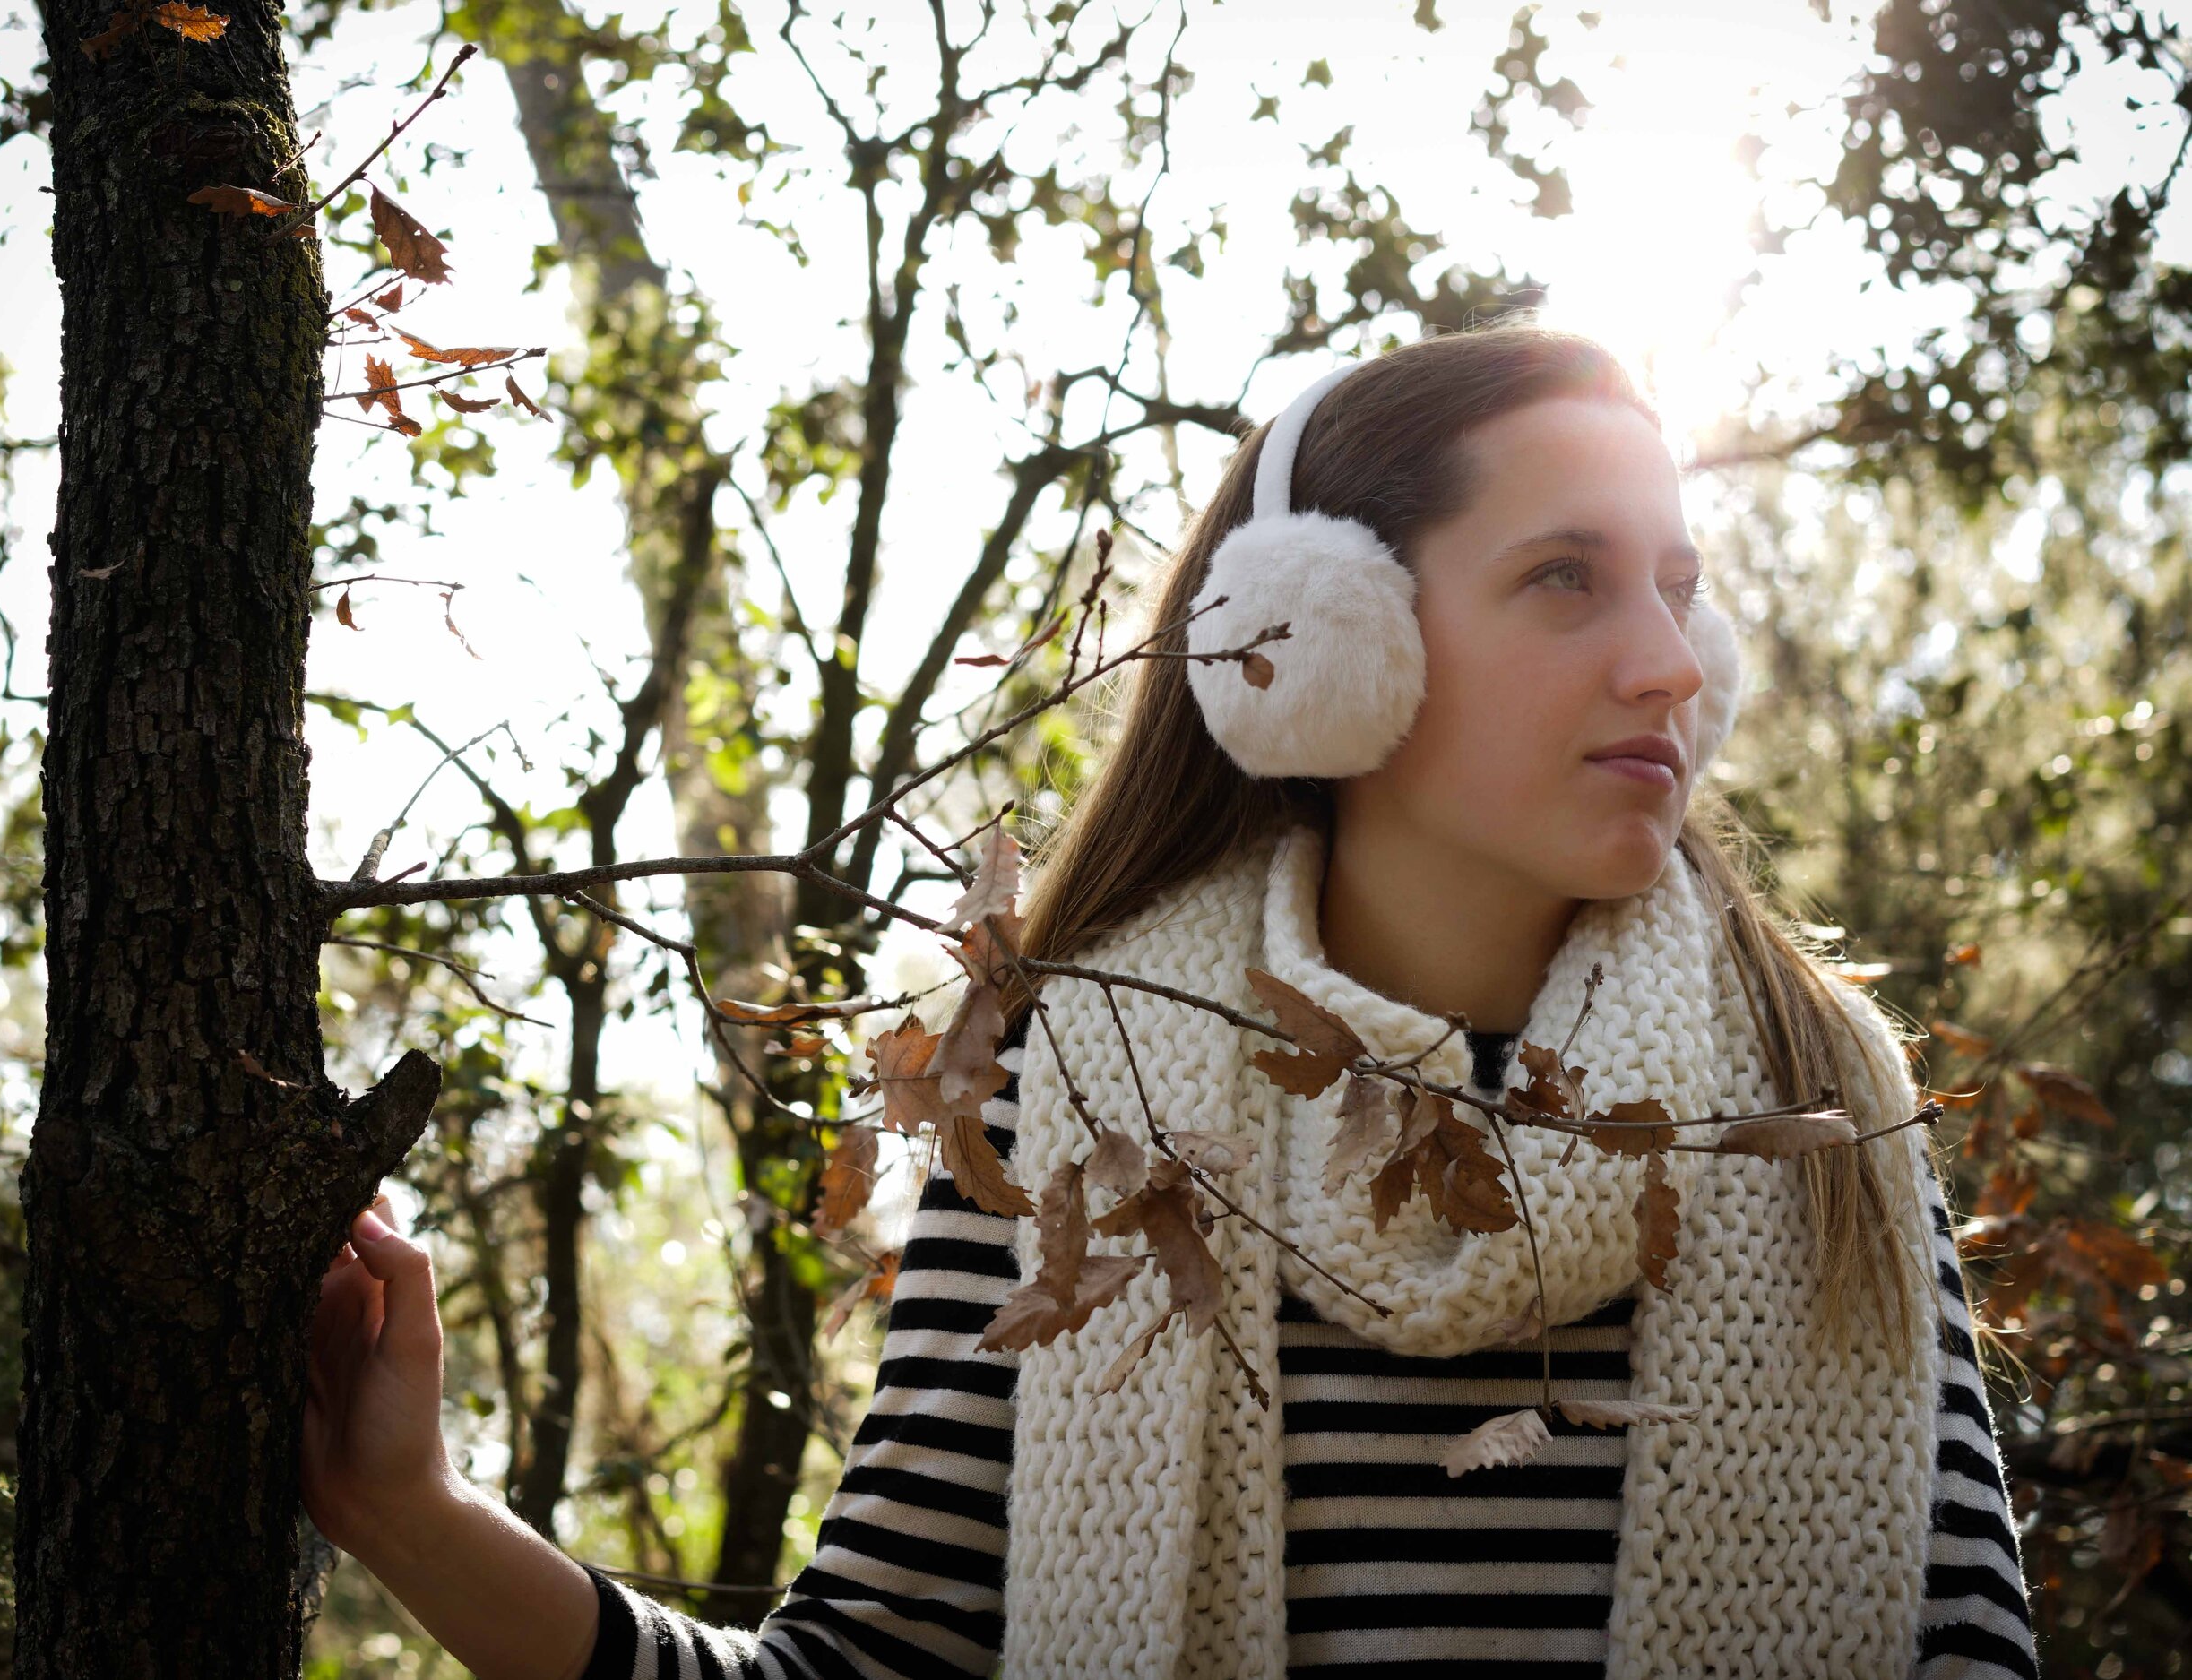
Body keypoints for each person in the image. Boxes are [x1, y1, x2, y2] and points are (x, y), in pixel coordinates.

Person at [303, 319, 2041, 1680]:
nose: (1668, 654)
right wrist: (412, 1510)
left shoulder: (1819, 1098)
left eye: (1674, 582)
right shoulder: (1071, 1099)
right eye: (1563, 576)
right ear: (1322, 642)